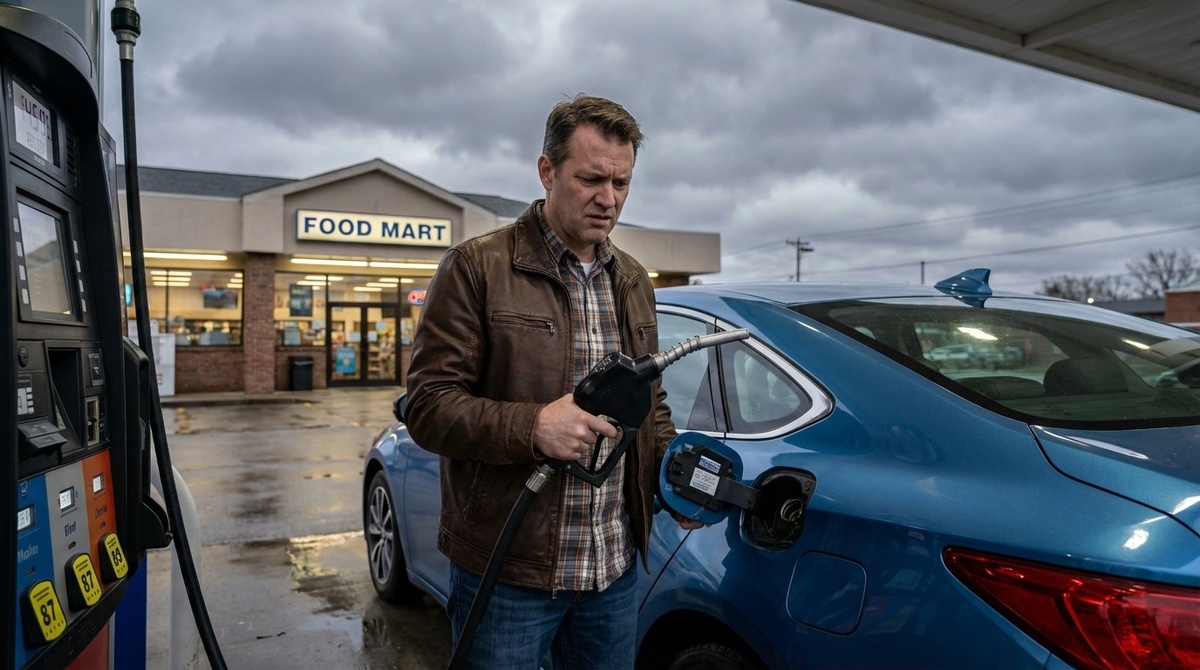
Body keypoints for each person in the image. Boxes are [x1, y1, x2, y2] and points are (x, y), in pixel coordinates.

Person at [405, 94, 696, 669]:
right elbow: (428, 406)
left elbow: (650, 401)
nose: (608, 199)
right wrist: (534, 426)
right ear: (547, 171)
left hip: (612, 567)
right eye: (590, 179)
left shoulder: (633, 279)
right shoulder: (476, 268)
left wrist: (672, 474)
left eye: (621, 183)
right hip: (508, 571)